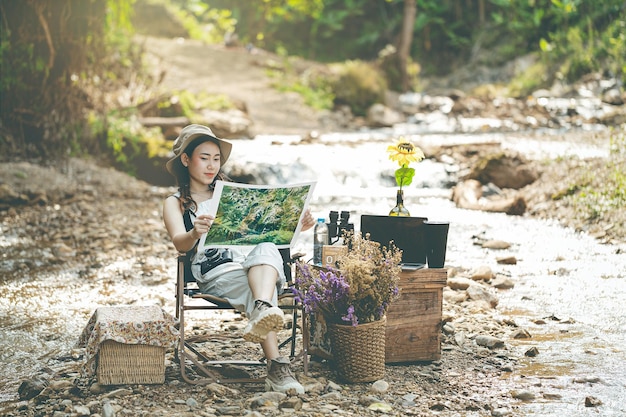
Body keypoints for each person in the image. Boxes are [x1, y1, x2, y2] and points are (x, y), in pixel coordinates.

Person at [163, 124, 314, 394]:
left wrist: (296, 224)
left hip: (257, 265)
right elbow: (178, 242)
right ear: (186, 160)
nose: (211, 165)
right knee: (253, 289)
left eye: (216, 159)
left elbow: (266, 233)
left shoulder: (235, 195)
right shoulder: (175, 203)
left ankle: (262, 308)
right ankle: (277, 367)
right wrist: (194, 232)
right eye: (204, 158)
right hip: (218, 274)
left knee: (267, 247)